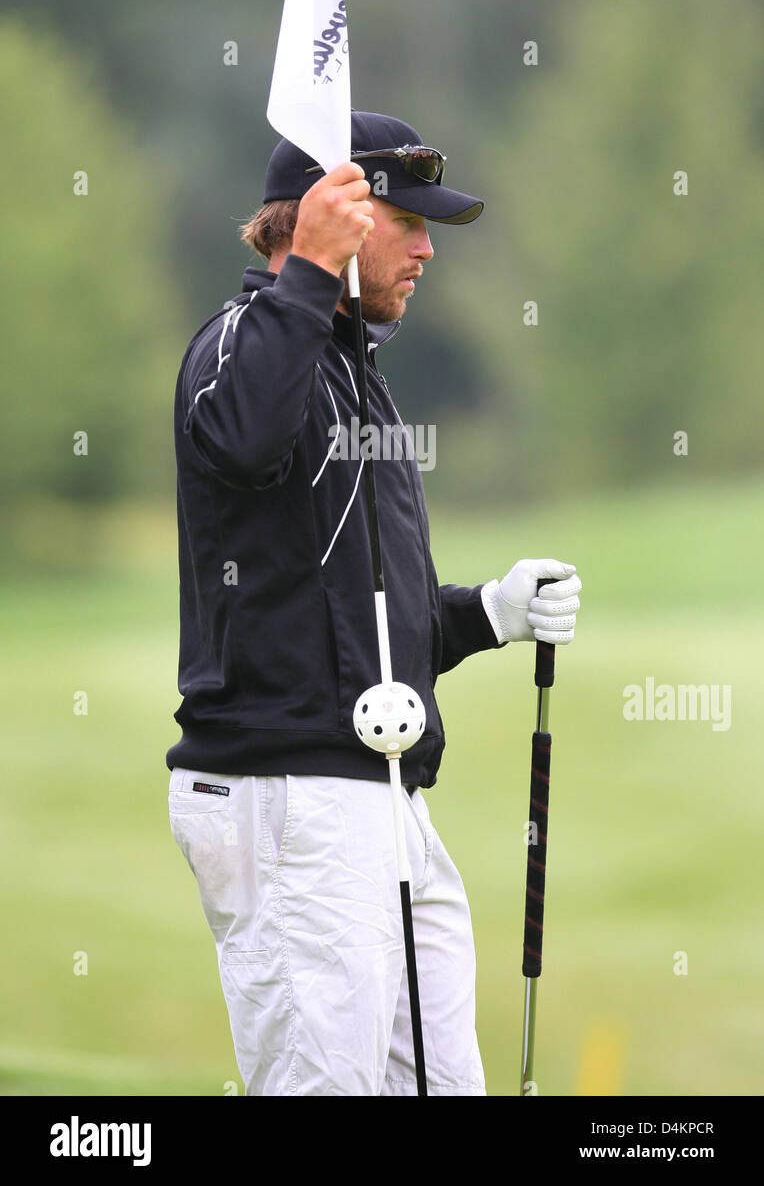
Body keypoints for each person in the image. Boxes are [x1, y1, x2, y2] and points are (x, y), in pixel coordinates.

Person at [166, 109, 582, 1097]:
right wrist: (306, 273)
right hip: (290, 798)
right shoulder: (240, 344)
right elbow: (238, 438)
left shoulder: (355, 375)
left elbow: (367, 613)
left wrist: (490, 611)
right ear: (332, 218)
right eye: (409, 223)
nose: (429, 249)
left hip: (378, 797)